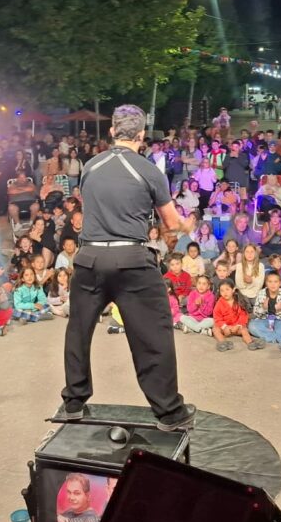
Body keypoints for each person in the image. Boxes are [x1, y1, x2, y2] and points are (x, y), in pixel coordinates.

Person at [59, 105, 196, 432]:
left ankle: (74, 402)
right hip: (132, 260)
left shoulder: (90, 167)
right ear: (142, 135)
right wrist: (187, 224)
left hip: (89, 258)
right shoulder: (149, 171)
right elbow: (171, 223)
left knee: (78, 330)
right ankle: (168, 411)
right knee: (154, 332)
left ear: (111, 132)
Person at [247, 271, 281, 354]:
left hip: (279, 320)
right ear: (266, 283)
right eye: (270, 282)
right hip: (264, 320)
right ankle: (275, 338)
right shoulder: (261, 293)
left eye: (275, 282)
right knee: (252, 326)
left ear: (280, 283)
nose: (273, 284)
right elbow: (255, 312)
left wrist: (278, 310)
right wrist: (264, 308)